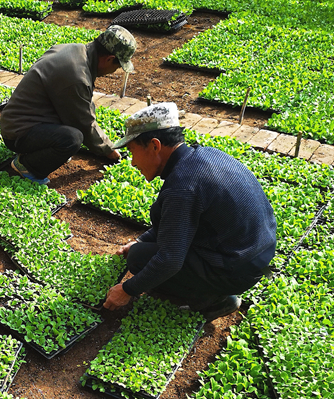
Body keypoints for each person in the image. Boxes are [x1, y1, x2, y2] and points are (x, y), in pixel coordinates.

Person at [102, 102, 276, 321]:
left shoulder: (183, 186)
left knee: (140, 258)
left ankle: (215, 300)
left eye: (132, 152)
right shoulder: (204, 156)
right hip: (254, 255)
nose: (133, 163)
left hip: (237, 270)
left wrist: (127, 289)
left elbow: (170, 260)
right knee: (143, 249)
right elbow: (179, 222)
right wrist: (142, 239)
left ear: (155, 146)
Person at [0, 25, 137, 185]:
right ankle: (27, 166)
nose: (114, 71)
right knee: (72, 139)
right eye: (117, 66)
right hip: (18, 132)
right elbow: (84, 123)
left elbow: (83, 107)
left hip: (18, 120)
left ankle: (44, 150)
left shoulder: (75, 50)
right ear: (109, 59)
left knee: (77, 122)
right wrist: (108, 150)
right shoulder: (77, 77)